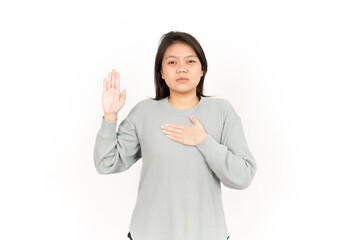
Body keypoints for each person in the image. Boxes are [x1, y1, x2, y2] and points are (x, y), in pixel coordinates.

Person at [93, 31, 257, 240]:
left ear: (202, 69)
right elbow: (106, 163)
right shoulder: (144, 112)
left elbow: (243, 176)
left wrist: (203, 141)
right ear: (161, 72)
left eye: (190, 61)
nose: (181, 68)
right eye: (171, 62)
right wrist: (110, 116)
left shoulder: (222, 111)